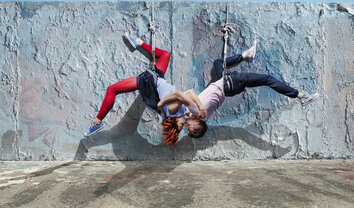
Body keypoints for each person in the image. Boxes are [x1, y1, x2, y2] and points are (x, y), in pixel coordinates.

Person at [157, 40, 319, 141]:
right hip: (231, 83)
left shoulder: (200, 115)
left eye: (188, 127)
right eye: (190, 127)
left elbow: (188, 104)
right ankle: (300, 95)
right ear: (198, 122)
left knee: (218, 63)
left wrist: (183, 116)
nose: (187, 126)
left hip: (226, 85)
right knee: (267, 79)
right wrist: (181, 110)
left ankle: (246, 55)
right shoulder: (200, 113)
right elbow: (189, 94)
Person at [85, 34, 206, 145]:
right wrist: (196, 112)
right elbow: (189, 93)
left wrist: (164, 103)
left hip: (150, 82)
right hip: (158, 78)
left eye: (182, 126)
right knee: (166, 55)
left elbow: (180, 95)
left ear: (174, 121)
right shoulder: (181, 112)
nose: (184, 125)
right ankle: (138, 42)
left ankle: (97, 121)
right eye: (185, 126)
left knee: (112, 90)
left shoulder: (172, 112)